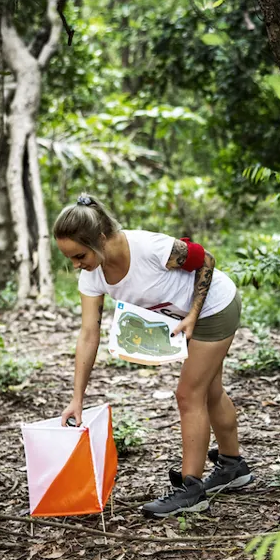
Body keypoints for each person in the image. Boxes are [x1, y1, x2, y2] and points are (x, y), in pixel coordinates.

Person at [53, 194, 253, 519]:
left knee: (189, 394)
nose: (76, 265)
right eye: (70, 259)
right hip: (185, 318)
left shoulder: (149, 248)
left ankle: (192, 490)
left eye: (80, 255)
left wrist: (192, 314)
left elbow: (206, 260)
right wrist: (77, 398)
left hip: (215, 308)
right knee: (209, 389)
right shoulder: (93, 274)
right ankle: (233, 466)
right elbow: (89, 334)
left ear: (100, 239)